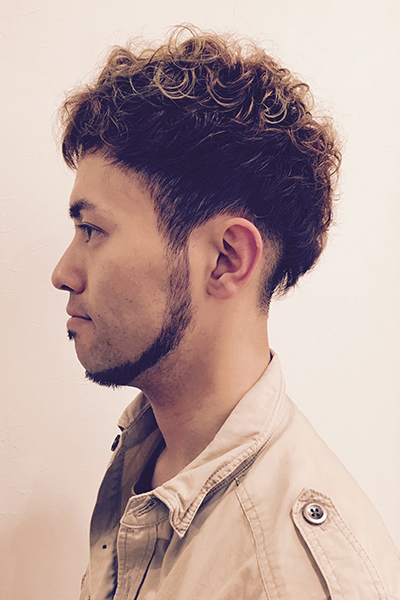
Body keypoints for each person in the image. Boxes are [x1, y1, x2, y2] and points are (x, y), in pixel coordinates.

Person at [52, 26, 400, 600]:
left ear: (226, 260)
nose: (63, 272)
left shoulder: (288, 579)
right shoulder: (151, 455)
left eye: (92, 230)